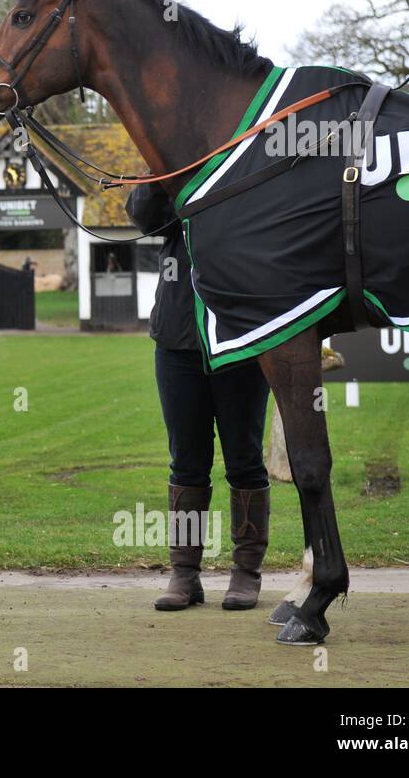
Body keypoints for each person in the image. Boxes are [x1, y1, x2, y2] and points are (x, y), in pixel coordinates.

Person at [126, 182, 271, 612]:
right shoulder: (177, 172)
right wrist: (159, 167)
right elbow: (144, 215)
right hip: (177, 340)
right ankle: (184, 574)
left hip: (238, 339)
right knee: (186, 462)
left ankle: (246, 573)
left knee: (244, 460)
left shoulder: (245, 171)